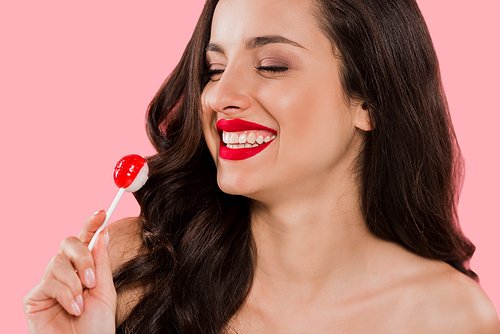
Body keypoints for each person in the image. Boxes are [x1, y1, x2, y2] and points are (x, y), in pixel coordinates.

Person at [23, 0, 500, 333]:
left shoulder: (452, 319)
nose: (219, 97)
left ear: (369, 100)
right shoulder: (129, 270)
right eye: (214, 69)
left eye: (271, 65)